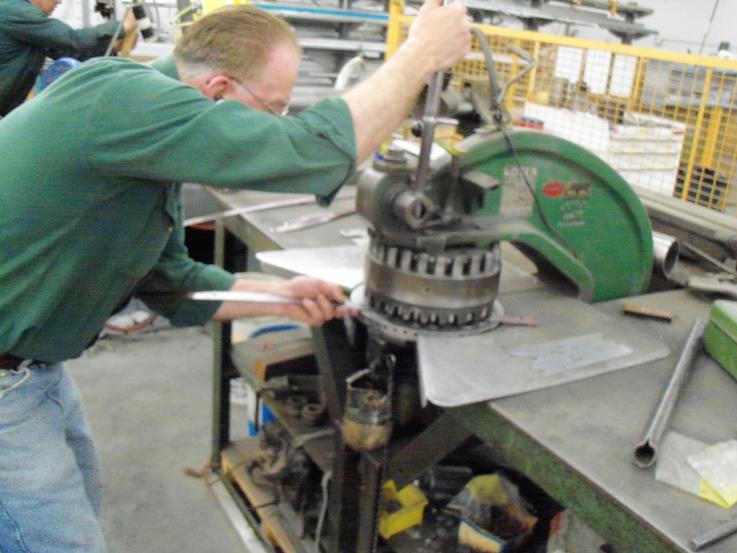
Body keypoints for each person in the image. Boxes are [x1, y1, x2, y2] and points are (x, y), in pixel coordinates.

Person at [0, 2, 470, 552]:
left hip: (32, 370)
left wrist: (281, 297)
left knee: (75, 501)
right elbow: (316, 152)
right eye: (270, 110)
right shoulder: (123, 99)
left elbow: (171, 284)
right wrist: (419, 55)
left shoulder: (146, 146)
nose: (273, 124)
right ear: (219, 89)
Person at [0, 0, 137, 116]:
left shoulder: (26, 24)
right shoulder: (15, 11)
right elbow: (74, 39)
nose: (59, 1)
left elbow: (68, 51)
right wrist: (122, 27)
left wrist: (112, 45)